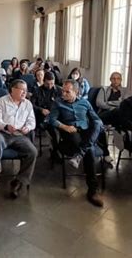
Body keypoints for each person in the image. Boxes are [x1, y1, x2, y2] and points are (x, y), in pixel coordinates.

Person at [48, 79, 104, 207]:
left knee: (97, 123)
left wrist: (97, 124)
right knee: (89, 149)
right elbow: (51, 119)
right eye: (63, 91)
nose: (64, 94)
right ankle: (93, 190)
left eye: (67, 92)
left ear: (76, 92)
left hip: (86, 132)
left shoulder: (85, 103)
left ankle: (80, 154)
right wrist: (64, 127)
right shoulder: (58, 103)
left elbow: (96, 119)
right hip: (70, 133)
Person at [0, 79, 37, 199]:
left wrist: (28, 127)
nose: (24, 93)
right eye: (22, 90)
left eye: (26, 91)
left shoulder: (27, 104)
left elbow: (32, 121)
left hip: (20, 135)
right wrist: (6, 126)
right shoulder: (1, 102)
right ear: (13, 90)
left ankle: (19, 181)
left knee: (32, 152)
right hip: (3, 133)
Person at [31, 72, 62, 161]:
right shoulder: (37, 90)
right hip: (42, 117)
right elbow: (32, 105)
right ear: (43, 81)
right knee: (54, 131)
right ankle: (55, 152)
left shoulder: (59, 90)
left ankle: (57, 149)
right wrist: (41, 110)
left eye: (52, 83)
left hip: (56, 115)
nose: (50, 86)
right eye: (47, 83)